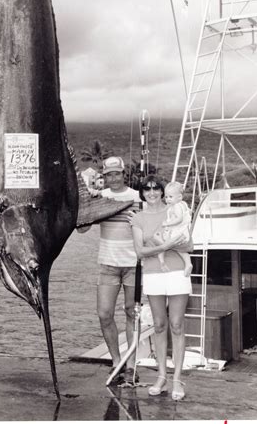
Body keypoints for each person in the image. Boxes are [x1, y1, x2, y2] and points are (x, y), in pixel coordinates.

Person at [78, 156, 141, 384]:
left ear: (124, 174)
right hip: (107, 264)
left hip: (134, 265)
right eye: (108, 175)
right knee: (104, 314)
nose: (113, 178)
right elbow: (82, 229)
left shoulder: (137, 197)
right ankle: (117, 362)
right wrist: (85, 206)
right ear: (103, 177)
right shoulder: (101, 198)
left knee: (131, 314)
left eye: (117, 173)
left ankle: (132, 366)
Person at [130, 175, 193, 401]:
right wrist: (166, 245)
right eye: (147, 189)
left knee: (176, 325)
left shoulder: (175, 208)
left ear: (163, 191)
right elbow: (139, 252)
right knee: (158, 325)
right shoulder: (137, 218)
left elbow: (189, 244)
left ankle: (177, 378)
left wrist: (171, 245)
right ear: (142, 193)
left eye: (156, 189)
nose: (152, 193)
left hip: (177, 272)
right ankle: (161, 376)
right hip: (153, 274)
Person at [153, 182, 192, 276]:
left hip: (177, 233)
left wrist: (167, 223)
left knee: (161, 242)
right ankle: (188, 263)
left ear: (179, 197)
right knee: (182, 251)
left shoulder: (177, 206)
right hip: (182, 233)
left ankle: (161, 261)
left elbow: (179, 219)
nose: (168, 199)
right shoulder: (183, 204)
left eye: (170, 197)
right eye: (166, 197)